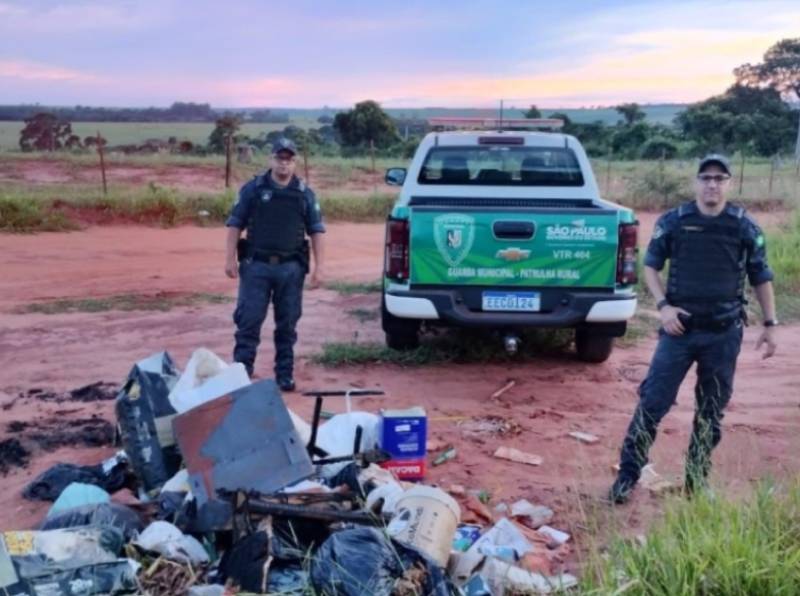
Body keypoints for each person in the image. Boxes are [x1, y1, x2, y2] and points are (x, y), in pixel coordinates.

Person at [609, 154, 778, 504]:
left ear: (729, 183)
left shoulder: (743, 226)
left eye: (719, 178)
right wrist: (663, 307)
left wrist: (770, 324)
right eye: (706, 177)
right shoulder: (675, 221)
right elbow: (650, 267)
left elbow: (761, 276)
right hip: (679, 332)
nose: (712, 184)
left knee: (711, 410)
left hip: (723, 333)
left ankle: (696, 481)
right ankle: (626, 478)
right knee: (653, 403)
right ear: (696, 182)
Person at [224, 138, 325, 391]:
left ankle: (284, 374)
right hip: (256, 266)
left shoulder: (304, 193)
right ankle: (241, 374)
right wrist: (229, 259)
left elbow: (316, 231)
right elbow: (236, 223)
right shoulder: (253, 189)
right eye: (280, 158)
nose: (284, 164)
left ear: (295, 162)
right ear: (271, 159)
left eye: (289, 159)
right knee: (248, 322)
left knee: (287, 325)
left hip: (291, 269)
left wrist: (320, 267)